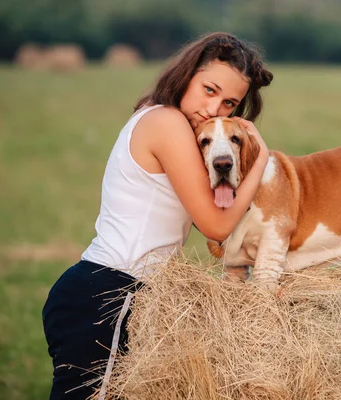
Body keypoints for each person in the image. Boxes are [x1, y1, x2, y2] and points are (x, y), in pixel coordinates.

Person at [42, 32, 273, 399]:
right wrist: (259, 157)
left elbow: (210, 221)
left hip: (115, 293)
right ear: (187, 74)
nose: (214, 109)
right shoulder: (166, 123)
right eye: (209, 90)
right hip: (110, 294)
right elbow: (216, 225)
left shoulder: (165, 119)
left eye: (230, 103)